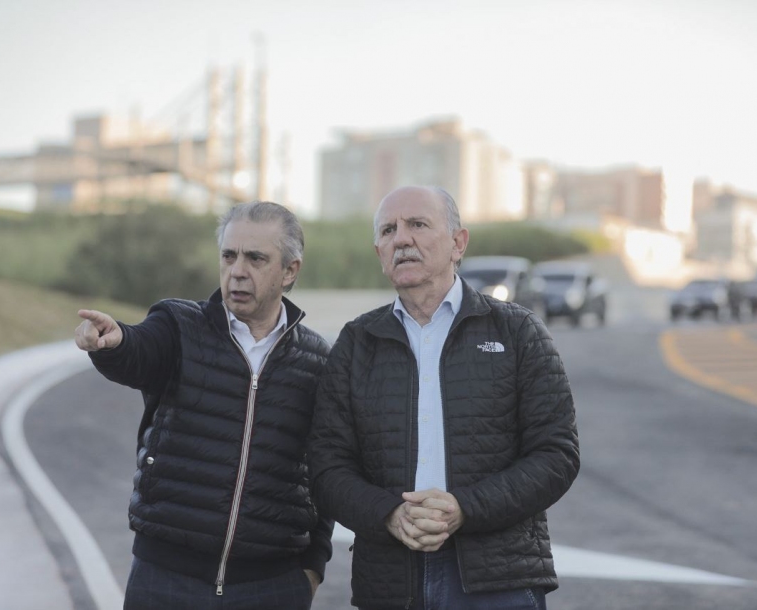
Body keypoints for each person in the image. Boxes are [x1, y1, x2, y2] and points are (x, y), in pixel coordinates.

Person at [309, 186, 580, 609]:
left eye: (417, 224)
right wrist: (389, 514)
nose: (401, 238)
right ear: (380, 253)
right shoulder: (357, 343)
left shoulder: (517, 331)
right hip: (390, 583)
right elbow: (327, 466)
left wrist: (465, 508)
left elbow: (557, 454)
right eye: (388, 230)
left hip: (499, 581)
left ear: (458, 243)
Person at [75, 201, 333, 609]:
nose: (237, 271)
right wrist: (114, 342)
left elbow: (325, 471)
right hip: (166, 579)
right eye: (229, 256)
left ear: (290, 271)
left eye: (255, 258)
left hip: (272, 585)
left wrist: (312, 568)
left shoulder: (317, 360)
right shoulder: (179, 325)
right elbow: (139, 350)